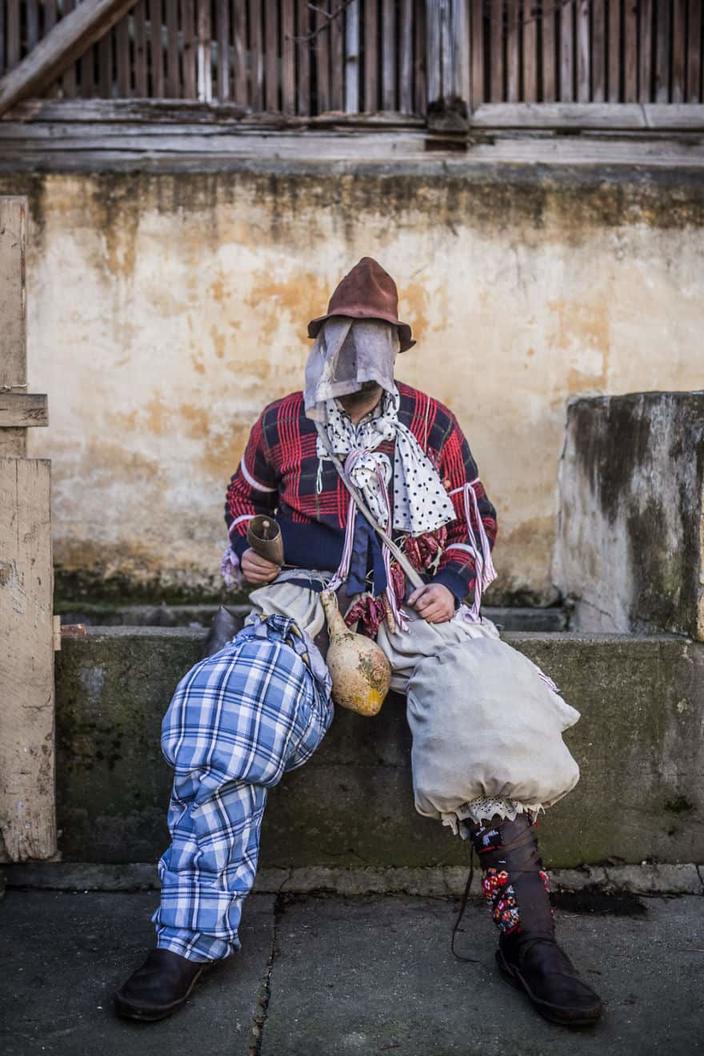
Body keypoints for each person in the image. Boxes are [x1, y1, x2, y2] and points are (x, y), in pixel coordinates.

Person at [115, 258, 602, 1028]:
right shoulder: (282, 422)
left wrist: (453, 584)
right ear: (324, 340)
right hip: (309, 612)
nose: (352, 358)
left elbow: (476, 524)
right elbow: (246, 499)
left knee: (496, 717)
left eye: (370, 342)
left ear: (394, 348)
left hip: (416, 613)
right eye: (342, 340)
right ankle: (190, 940)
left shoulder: (434, 424)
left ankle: (530, 941)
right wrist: (252, 543)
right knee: (226, 714)